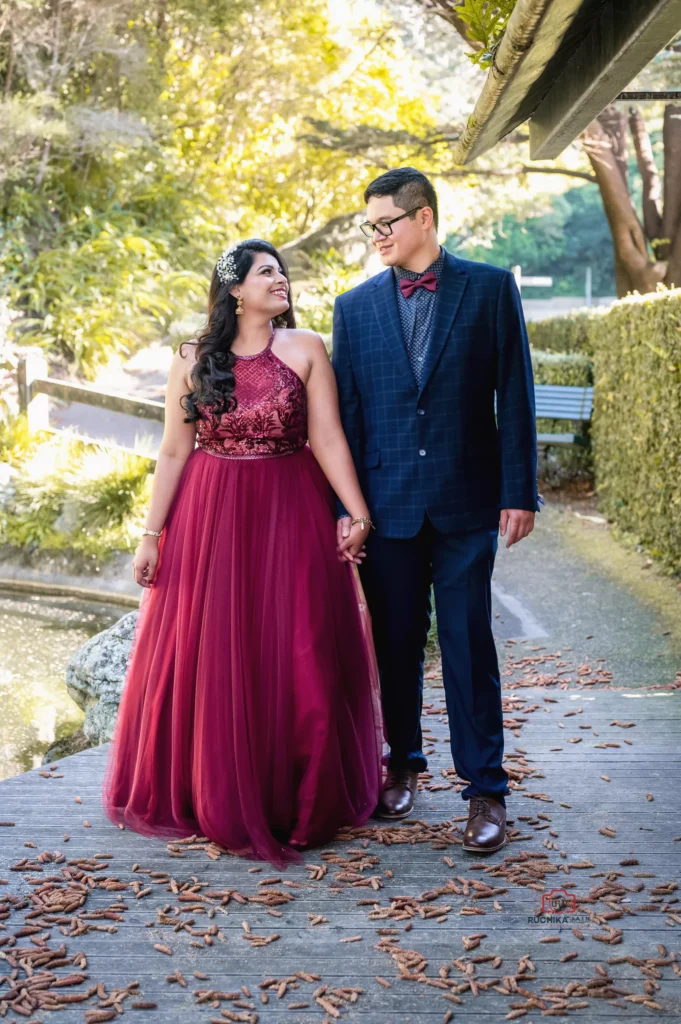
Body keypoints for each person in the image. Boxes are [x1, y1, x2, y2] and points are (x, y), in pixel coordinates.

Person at [102, 239, 384, 867]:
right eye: (266, 273)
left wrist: (356, 513)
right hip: (210, 515)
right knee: (217, 651)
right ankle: (216, 792)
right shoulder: (191, 358)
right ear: (235, 289)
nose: (280, 280)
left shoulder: (306, 348)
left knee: (299, 646)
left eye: (282, 272)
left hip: (292, 508)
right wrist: (152, 535)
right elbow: (173, 451)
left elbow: (328, 437)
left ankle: (301, 797)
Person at [332, 168, 540, 853]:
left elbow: (513, 393)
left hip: (465, 500)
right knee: (393, 646)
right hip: (385, 508)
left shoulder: (487, 288)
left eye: (384, 223)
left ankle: (485, 790)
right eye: (370, 226)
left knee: (466, 645)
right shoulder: (352, 308)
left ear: (423, 218)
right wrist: (347, 511)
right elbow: (347, 421)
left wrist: (518, 489)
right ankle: (401, 764)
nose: (376, 236)